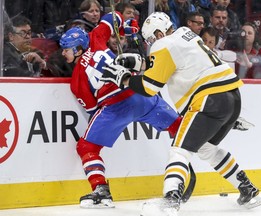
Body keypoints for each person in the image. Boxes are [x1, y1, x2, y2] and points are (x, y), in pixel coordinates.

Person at [101, 12, 261, 213]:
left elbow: (150, 86)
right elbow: (170, 64)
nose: (151, 44)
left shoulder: (163, 44)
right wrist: (140, 63)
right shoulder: (187, 34)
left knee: (179, 150)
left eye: (151, 39)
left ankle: (171, 200)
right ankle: (247, 190)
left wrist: (124, 78)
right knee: (206, 149)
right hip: (231, 97)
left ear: (159, 33)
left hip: (208, 99)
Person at [59, 12, 182, 209]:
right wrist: (126, 27)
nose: (63, 54)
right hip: (141, 94)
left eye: (66, 50)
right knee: (183, 128)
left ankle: (101, 191)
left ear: (78, 49)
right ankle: (190, 168)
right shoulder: (96, 37)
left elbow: (92, 108)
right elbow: (112, 16)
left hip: (115, 106)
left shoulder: (77, 80)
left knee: (87, 147)